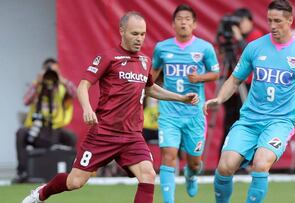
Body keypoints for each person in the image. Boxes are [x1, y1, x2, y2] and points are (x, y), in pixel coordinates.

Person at [22, 11, 199, 203]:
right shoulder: (108, 58)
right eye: (134, 34)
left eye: (142, 34)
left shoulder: (145, 61)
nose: (139, 39)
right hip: (104, 134)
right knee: (75, 182)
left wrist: (181, 98)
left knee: (148, 175)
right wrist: (88, 109)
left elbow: (149, 89)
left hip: (132, 135)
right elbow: (83, 85)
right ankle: (41, 193)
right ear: (122, 31)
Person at [204, 1, 295, 202]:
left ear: (290, 20)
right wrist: (219, 98)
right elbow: (234, 79)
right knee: (225, 166)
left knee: (260, 163)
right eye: (269, 21)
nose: (273, 25)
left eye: (278, 21)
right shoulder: (255, 47)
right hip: (249, 121)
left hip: (279, 122)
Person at [151, 4, 219, 202]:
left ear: (195, 24)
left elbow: (216, 73)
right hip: (169, 112)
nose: (183, 22)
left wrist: (199, 79)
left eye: (188, 19)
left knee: (195, 162)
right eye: (179, 19)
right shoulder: (162, 48)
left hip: (194, 113)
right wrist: (142, 90)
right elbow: (152, 76)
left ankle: (191, 175)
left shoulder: (205, 48)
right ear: (173, 24)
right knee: (168, 155)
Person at [13, 58, 77, 183]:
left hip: (55, 130)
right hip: (37, 129)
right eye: (48, 72)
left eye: (53, 72)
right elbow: (26, 101)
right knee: (20, 133)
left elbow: (75, 93)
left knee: (71, 137)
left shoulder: (61, 87)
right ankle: (22, 172)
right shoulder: (37, 85)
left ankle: (70, 173)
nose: (50, 76)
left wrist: (60, 79)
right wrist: (37, 82)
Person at [221, 8, 263, 156]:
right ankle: (225, 155)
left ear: (249, 21)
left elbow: (253, 56)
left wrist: (239, 39)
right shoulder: (234, 37)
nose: (239, 25)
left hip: (249, 84)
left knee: (244, 120)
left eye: (241, 22)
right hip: (236, 85)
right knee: (229, 120)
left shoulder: (256, 35)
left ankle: (245, 157)